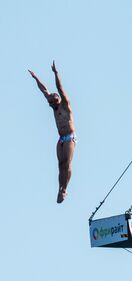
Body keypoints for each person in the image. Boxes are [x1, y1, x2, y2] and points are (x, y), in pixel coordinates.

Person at [29, 61, 76, 203]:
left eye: (53, 102)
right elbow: (44, 90)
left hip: (69, 138)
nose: (51, 105)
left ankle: (64, 189)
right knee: (60, 165)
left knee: (67, 163)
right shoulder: (53, 106)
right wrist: (36, 78)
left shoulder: (64, 104)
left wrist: (56, 73)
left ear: (57, 100)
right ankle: (59, 188)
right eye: (50, 103)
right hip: (61, 139)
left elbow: (59, 88)